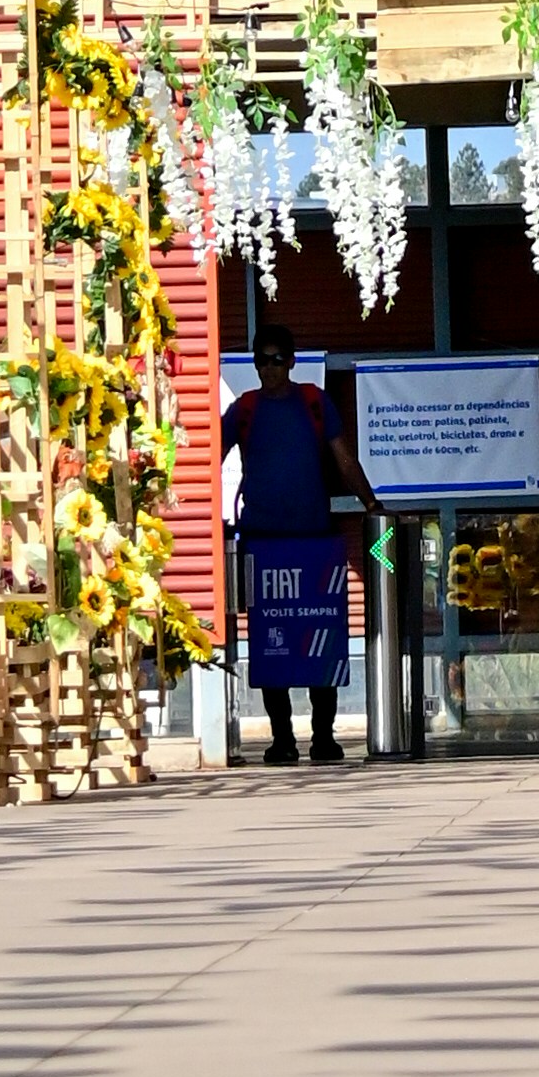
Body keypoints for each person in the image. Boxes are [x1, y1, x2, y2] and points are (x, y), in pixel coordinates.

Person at [223, 321, 351, 765]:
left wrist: (371, 504)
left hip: (314, 539)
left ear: (292, 361)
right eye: (262, 360)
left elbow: (342, 455)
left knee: (322, 642)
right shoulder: (244, 409)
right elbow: (208, 457)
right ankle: (282, 739)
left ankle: (324, 737)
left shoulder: (314, 401)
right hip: (264, 541)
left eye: (278, 359)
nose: (270, 367)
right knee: (272, 646)